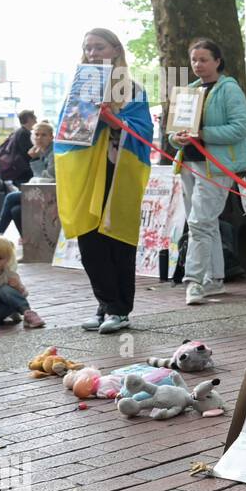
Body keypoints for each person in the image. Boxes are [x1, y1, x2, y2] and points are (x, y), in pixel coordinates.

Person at [55, 28, 154, 334]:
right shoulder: (78, 89)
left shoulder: (132, 89)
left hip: (118, 171)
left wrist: (115, 121)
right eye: (87, 49)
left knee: (117, 240)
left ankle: (118, 309)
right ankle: (106, 304)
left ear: (115, 50)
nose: (92, 54)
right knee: (89, 241)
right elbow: (65, 134)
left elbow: (143, 131)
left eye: (98, 47)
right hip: (86, 174)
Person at [172, 38, 246, 306]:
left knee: (199, 222)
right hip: (189, 164)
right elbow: (174, 132)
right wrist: (179, 138)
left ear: (218, 61)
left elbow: (239, 128)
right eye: (194, 60)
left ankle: (194, 281)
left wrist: (202, 133)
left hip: (216, 167)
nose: (197, 65)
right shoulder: (189, 92)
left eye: (203, 59)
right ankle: (214, 278)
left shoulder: (229, 89)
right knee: (206, 222)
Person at [0, 121, 56, 237]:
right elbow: (39, 178)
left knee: (11, 197)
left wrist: (35, 160)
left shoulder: (53, 152)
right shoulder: (40, 150)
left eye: (44, 135)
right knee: (16, 211)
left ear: (51, 137)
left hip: (53, 193)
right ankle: (28, 241)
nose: (39, 138)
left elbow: (49, 178)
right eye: (37, 135)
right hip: (43, 191)